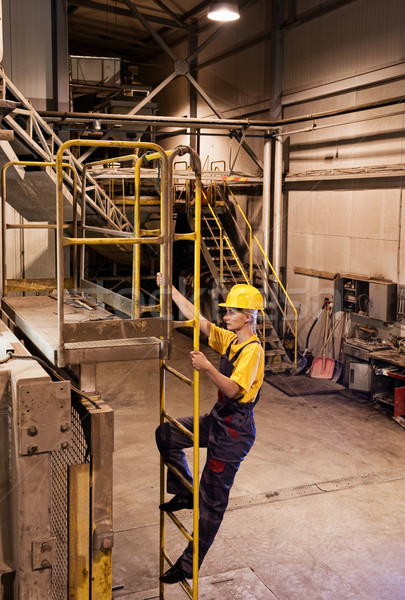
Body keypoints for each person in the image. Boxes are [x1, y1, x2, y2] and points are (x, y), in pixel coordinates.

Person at [155, 274, 265, 584]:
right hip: (218, 420)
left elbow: (232, 389)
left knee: (211, 504)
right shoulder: (232, 339)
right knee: (168, 433)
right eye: (226, 311)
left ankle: (189, 565)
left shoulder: (252, 352)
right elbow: (199, 321)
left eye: (231, 312)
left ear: (248, 317)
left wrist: (207, 368)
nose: (225, 316)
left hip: (234, 432)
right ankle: (183, 490)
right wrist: (170, 290)